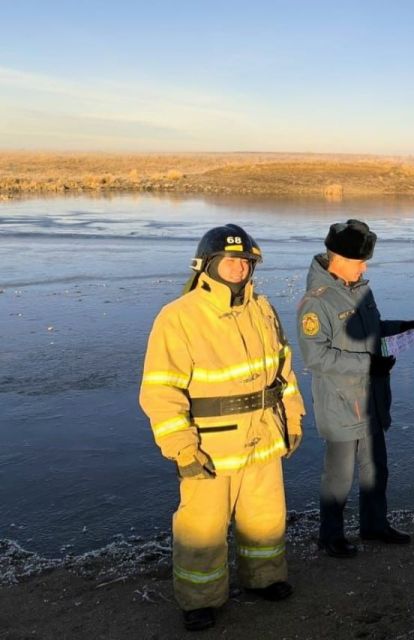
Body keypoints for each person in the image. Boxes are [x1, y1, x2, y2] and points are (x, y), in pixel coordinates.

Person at [140, 224, 305, 632]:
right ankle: (200, 599)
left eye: (245, 262)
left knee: (264, 518)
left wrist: (294, 416)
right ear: (207, 265)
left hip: (264, 436)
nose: (238, 269)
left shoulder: (262, 310)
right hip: (210, 447)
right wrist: (182, 448)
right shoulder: (178, 317)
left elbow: (284, 370)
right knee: (203, 528)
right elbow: (161, 391)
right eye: (230, 261)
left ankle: (264, 579)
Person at [298, 219, 414, 558]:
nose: (365, 267)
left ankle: (374, 525)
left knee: (376, 468)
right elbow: (316, 356)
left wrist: (400, 327)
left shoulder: (360, 289)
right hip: (341, 402)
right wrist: (369, 365)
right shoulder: (317, 301)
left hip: (372, 398)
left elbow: (373, 327)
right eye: (359, 261)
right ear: (337, 257)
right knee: (339, 476)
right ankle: (331, 535)